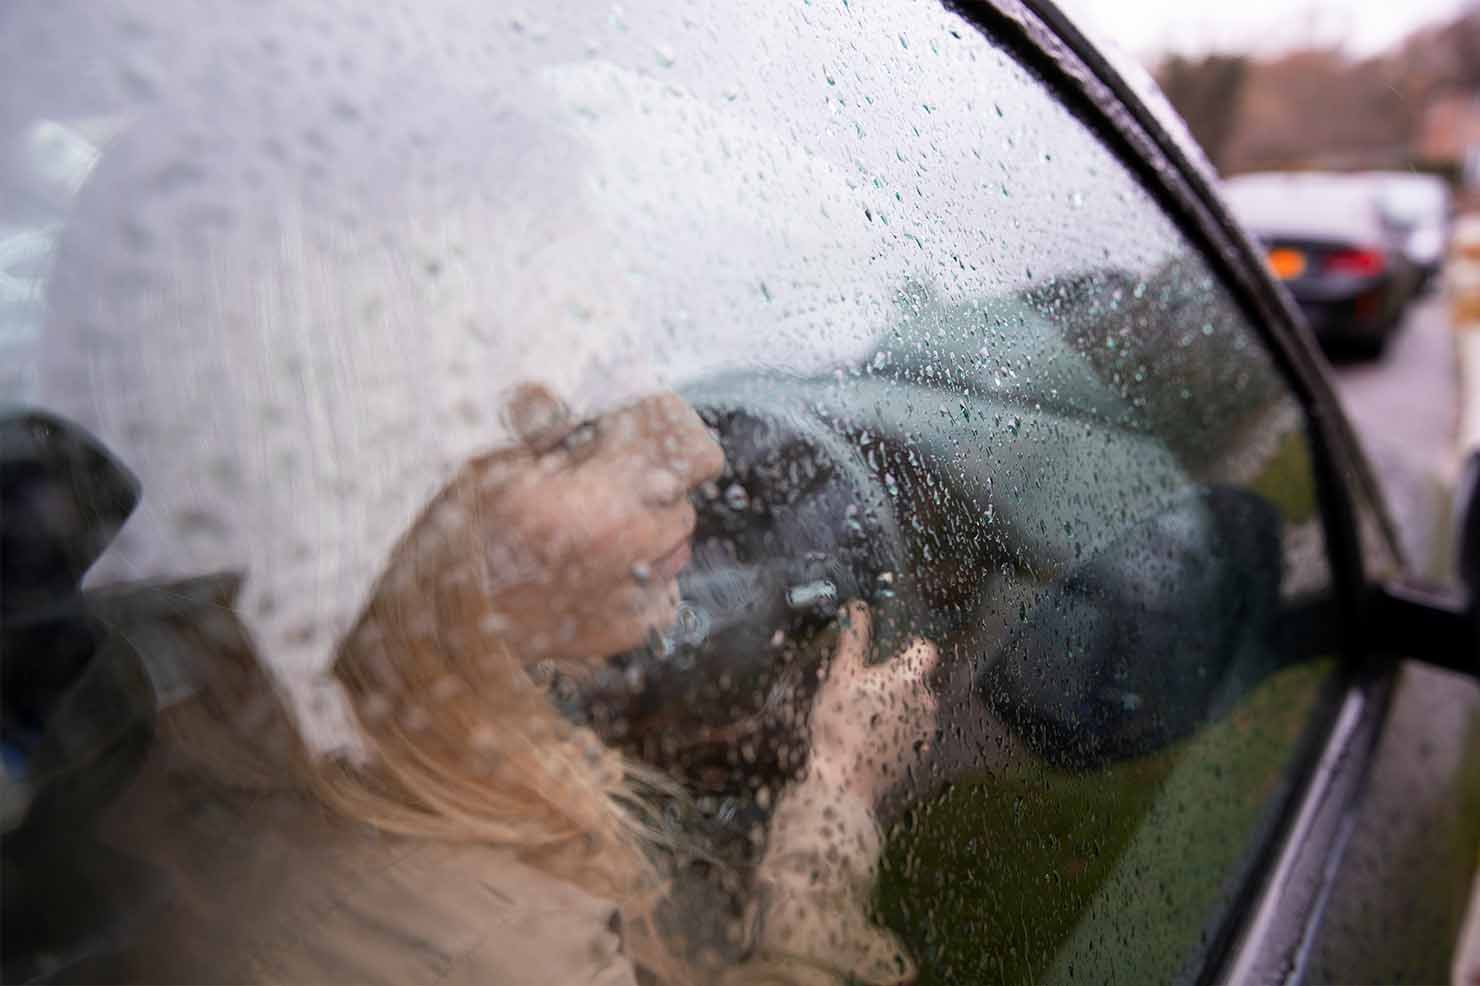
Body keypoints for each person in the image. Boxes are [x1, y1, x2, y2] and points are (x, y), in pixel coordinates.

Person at [36, 81, 942, 985]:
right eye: (576, 431)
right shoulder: (484, 949)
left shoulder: (207, 727)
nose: (701, 451)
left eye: (641, 368)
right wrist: (836, 795)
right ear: (364, 530)